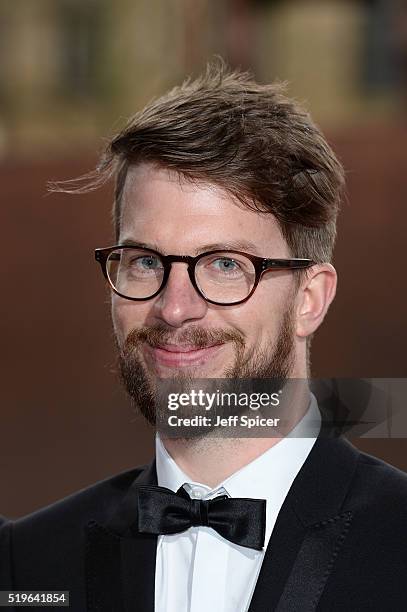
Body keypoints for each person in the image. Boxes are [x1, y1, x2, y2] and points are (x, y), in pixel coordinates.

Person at [1, 62, 407, 611]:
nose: (174, 308)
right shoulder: (26, 564)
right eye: (145, 261)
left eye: (223, 265)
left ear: (310, 298)